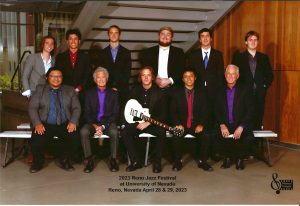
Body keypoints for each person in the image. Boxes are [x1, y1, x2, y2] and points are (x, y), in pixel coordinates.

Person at [28, 67, 81, 173]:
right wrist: (37, 124)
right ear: (48, 78)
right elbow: (32, 108)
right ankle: (37, 163)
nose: (56, 79)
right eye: (53, 76)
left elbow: (77, 108)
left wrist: (73, 121)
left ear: (62, 78)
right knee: (36, 139)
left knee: (74, 137)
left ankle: (65, 160)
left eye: (59, 76)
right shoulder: (40, 89)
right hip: (45, 123)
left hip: (64, 123)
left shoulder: (70, 90)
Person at [187, 28, 225, 159]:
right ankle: (198, 152)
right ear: (199, 39)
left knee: (214, 121)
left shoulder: (218, 55)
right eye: (202, 36)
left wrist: (220, 93)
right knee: (199, 121)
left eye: (207, 36)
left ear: (211, 38)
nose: (205, 38)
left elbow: (220, 75)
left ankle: (214, 152)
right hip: (198, 94)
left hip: (214, 94)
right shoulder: (193, 55)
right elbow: (190, 75)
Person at [121, 66, 167, 173]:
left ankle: (157, 162)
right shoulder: (134, 90)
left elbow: (163, 114)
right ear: (140, 77)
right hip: (137, 122)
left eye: (148, 75)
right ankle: (135, 161)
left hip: (152, 124)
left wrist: (148, 123)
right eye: (143, 75)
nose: (146, 77)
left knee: (162, 132)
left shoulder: (159, 92)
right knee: (125, 131)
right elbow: (127, 108)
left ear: (152, 77)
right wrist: (136, 122)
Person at [215, 64, 254, 170]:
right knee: (214, 134)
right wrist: (222, 124)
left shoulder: (245, 89)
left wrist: (241, 126)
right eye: (228, 73)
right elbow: (216, 110)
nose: (230, 76)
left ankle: (240, 159)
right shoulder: (219, 90)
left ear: (238, 75)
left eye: (233, 74)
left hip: (240, 124)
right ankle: (227, 157)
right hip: (225, 123)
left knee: (248, 137)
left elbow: (250, 111)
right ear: (225, 75)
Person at [170, 69, 211, 171]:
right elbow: (172, 111)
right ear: (183, 79)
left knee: (206, 135)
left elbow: (206, 111)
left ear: (195, 78)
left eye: (191, 76)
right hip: (182, 124)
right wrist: (178, 124)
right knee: (176, 135)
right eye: (186, 76)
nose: (189, 78)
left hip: (195, 124)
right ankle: (177, 162)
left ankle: (203, 161)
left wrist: (201, 124)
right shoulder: (176, 93)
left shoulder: (202, 93)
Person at [80, 67, 119, 173]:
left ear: (107, 79)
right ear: (94, 80)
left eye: (103, 77)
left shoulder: (114, 93)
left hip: (108, 123)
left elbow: (115, 114)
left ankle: (113, 160)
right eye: (98, 77)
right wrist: (95, 126)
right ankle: (89, 160)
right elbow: (86, 113)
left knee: (114, 132)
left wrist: (103, 126)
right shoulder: (88, 93)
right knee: (84, 131)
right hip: (93, 123)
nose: (101, 79)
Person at [232, 30, 273, 130]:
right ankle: (245, 143)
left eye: (255, 40)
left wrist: (263, 86)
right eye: (250, 40)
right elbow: (233, 75)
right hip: (243, 93)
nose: (253, 42)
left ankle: (256, 144)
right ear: (246, 42)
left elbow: (270, 75)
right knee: (244, 117)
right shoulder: (238, 57)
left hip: (259, 93)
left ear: (258, 42)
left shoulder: (264, 57)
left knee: (258, 117)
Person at [98, 25, 131, 114]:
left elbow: (127, 73)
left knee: (121, 114)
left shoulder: (126, 53)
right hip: (106, 89)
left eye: (116, 33)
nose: (113, 35)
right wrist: (110, 87)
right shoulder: (102, 53)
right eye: (111, 33)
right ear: (108, 35)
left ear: (119, 35)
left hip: (122, 89)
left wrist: (117, 88)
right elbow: (101, 73)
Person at [55, 28, 91, 96]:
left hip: (82, 93)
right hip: (65, 93)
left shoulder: (86, 57)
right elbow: (58, 75)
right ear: (67, 41)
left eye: (75, 39)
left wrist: (79, 88)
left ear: (79, 41)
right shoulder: (60, 57)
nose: (73, 41)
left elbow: (88, 75)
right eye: (71, 39)